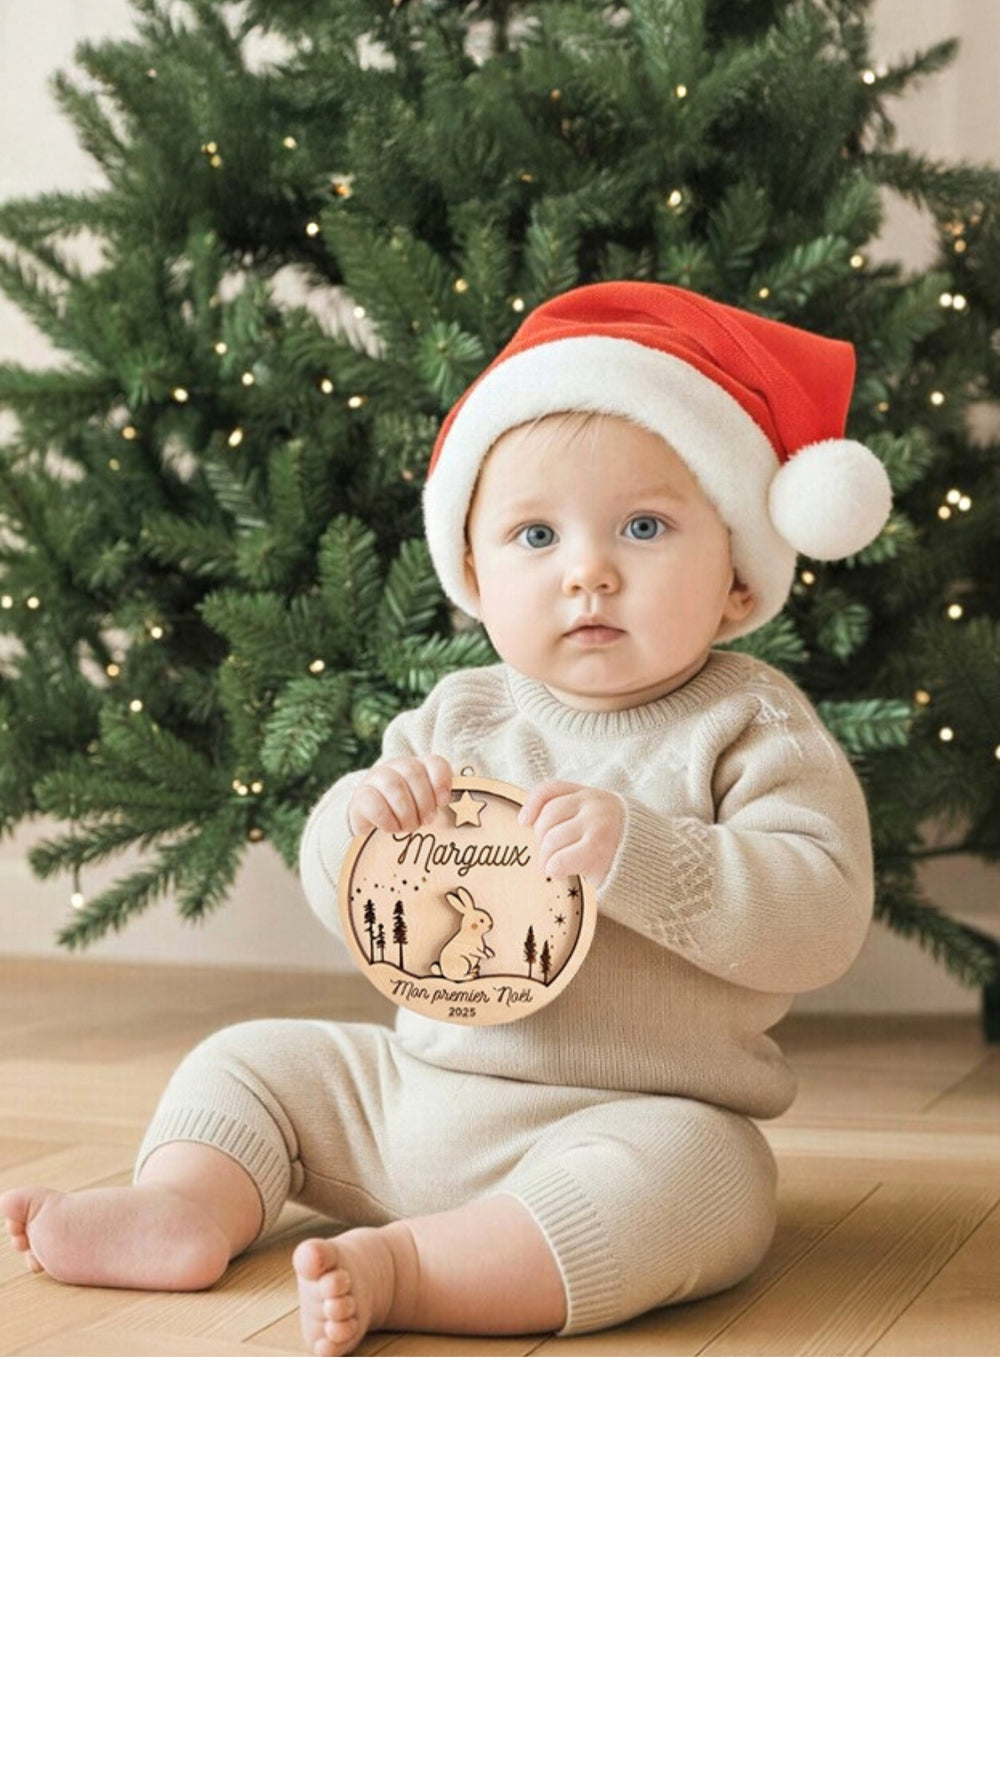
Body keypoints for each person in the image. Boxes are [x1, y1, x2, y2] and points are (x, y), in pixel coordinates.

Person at [1, 281, 891, 1355]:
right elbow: (355, 893)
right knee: (253, 1060)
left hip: (630, 1116)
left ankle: (417, 1266)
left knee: (713, 1183)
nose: (588, 571)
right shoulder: (458, 713)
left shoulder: (747, 724)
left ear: (740, 579)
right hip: (414, 1094)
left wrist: (641, 854)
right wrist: (355, 819)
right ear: (470, 572)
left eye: (644, 526)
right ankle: (186, 1203)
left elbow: (822, 917)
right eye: (533, 534)